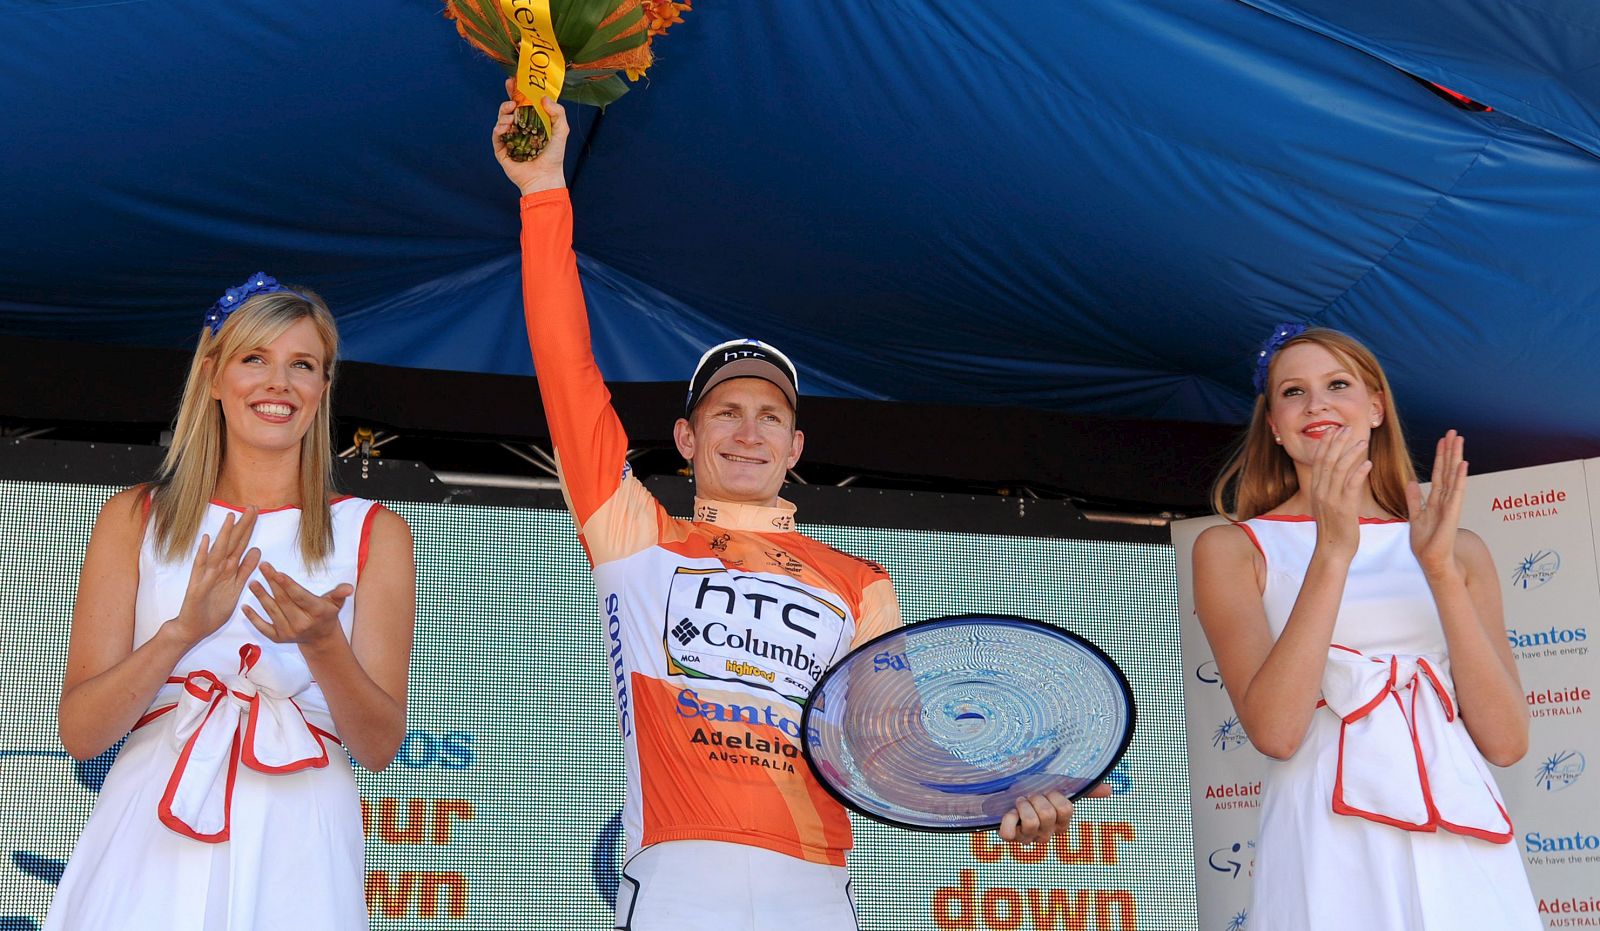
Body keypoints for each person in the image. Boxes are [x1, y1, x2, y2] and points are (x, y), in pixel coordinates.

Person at [496, 92, 1081, 931]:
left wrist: (1004, 799)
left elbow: (893, 747)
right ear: (685, 438)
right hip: (676, 870)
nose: (747, 430)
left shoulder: (859, 584)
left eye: (769, 415)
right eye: (725, 413)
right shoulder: (635, 534)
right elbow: (565, 371)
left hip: (814, 882)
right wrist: (543, 189)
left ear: (795, 447)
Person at [47, 275, 416, 930]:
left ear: (323, 388)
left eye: (302, 364)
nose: (279, 383)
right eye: (255, 359)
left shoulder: (375, 531)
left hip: (301, 835)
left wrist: (323, 644)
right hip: (153, 833)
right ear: (214, 376)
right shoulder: (135, 518)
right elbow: (81, 733)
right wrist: (180, 633)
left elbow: (380, 745)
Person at [1191, 324, 1539, 930]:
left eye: (1337, 384)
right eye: (1292, 392)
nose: (1317, 403)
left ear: (1376, 407)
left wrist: (1439, 572)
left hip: (1456, 830)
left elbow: (1507, 742)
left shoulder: (1459, 549)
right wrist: (1332, 551)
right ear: (1273, 424)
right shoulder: (1233, 548)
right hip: (1326, 828)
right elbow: (1275, 730)